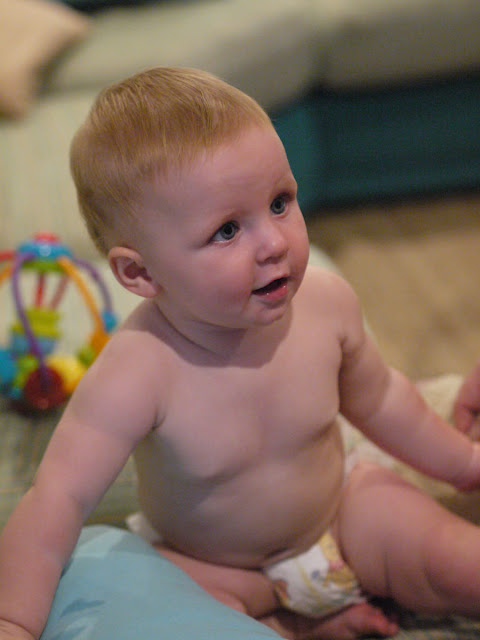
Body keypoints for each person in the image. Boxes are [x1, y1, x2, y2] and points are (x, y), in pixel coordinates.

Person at [1, 67, 480, 640]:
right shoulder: (136, 370)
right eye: (227, 231)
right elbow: (58, 498)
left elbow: (381, 400)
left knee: (452, 557)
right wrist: (14, 621)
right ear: (141, 274)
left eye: (280, 202)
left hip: (340, 517)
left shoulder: (325, 305)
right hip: (212, 566)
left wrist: (463, 464)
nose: (274, 243)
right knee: (174, 612)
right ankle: (290, 622)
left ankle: (315, 613)